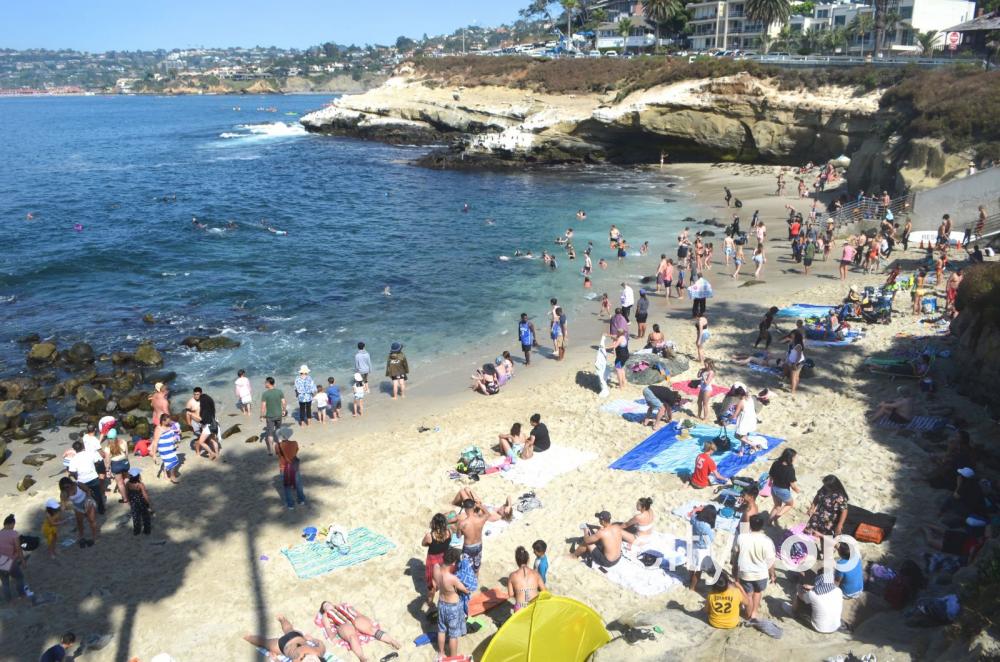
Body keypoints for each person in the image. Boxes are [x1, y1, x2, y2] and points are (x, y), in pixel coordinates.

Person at [316, 602, 401, 662]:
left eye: (328, 603)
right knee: (352, 637)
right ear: (323, 610)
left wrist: (364, 617)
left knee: (371, 629)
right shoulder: (325, 615)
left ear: (332, 603)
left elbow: (356, 612)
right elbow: (328, 627)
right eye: (325, 606)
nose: (327, 605)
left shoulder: (342, 606)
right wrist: (332, 637)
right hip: (342, 624)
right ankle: (362, 657)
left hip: (354, 618)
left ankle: (392, 641)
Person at [735, 513, 776, 622]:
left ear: (750, 525)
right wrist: (772, 574)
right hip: (761, 573)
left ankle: (748, 615)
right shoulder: (767, 541)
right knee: (757, 592)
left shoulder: (741, 537)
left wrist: (735, 571)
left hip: (745, 572)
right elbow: (771, 560)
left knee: (748, 594)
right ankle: (754, 613)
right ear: (762, 526)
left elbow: (737, 554)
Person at [434, 547, 470, 659]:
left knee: (441, 629)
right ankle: (453, 657)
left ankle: (441, 652)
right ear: (454, 562)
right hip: (452, 607)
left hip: (441, 603)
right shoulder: (452, 579)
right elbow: (465, 590)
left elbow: (435, 584)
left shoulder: (436, 569)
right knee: (453, 635)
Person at [243, 615, 326, 661]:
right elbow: (321, 644)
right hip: (293, 639)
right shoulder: (320, 651)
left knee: (265, 643)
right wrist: (312, 639)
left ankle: (248, 637)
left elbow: (320, 644)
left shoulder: (319, 651)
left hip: (281, 646)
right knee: (288, 629)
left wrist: (276, 659)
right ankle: (282, 619)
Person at [422, 514, 451, 617]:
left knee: (431, 585)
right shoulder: (448, 532)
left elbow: (423, 544)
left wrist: (426, 536)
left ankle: (430, 602)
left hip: (433, 560)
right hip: (444, 559)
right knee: (442, 580)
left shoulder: (430, 536)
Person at [805, 475, 849, 540]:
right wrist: (812, 508)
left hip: (828, 521)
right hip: (817, 516)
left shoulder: (840, 496)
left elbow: (844, 511)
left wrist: (840, 525)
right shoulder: (824, 488)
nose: (825, 486)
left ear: (833, 486)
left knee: (824, 539)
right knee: (807, 533)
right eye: (824, 485)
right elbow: (817, 497)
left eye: (827, 485)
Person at [67, 439, 105, 515]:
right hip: (93, 477)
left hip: (82, 481)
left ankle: (87, 512)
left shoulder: (73, 459)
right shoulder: (90, 454)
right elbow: (98, 461)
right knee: (97, 494)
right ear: (83, 447)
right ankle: (101, 510)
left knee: (84, 497)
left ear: (74, 450)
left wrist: (77, 478)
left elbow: (72, 472)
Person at [59, 476, 99, 546]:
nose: (67, 488)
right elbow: (63, 505)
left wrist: (88, 499)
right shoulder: (63, 493)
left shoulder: (78, 484)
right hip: (77, 506)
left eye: (67, 486)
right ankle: (81, 536)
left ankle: (95, 536)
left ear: (71, 483)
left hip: (87, 500)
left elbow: (88, 490)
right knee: (79, 522)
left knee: (92, 520)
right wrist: (61, 515)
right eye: (64, 487)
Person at [768, 448, 800, 527]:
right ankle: (777, 516)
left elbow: (771, 476)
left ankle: (769, 522)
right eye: (795, 457)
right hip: (783, 491)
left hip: (774, 488)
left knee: (777, 506)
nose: (796, 458)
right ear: (790, 458)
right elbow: (792, 485)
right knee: (790, 504)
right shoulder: (790, 469)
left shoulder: (776, 463)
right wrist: (798, 490)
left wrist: (770, 483)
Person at [688, 504, 717, 590]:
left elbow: (692, 514)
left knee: (692, 565)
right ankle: (692, 587)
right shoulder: (707, 527)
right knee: (699, 570)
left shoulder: (695, 519)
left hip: (693, 545)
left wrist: (697, 508)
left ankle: (690, 580)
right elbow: (710, 540)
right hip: (702, 549)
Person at [509, 546, 546, 612]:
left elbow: (511, 594)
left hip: (520, 607)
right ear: (528, 559)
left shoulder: (512, 576)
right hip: (534, 606)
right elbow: (544, 591)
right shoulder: (536, 574)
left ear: (516, 560)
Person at [0, 514, 27, 604]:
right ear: (11, 524)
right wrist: (23, 561)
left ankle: (9, 600)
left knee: (5, 581)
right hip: (9, 560)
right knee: (19, 577)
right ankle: (22, 595)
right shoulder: (13, 534)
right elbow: (18, 548)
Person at [189, 387, 220, 460]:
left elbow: (203, 421)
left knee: (201, 442)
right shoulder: (210, 404)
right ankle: (217, 454)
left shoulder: (204, 408)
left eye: (198, 395)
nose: (197, 397)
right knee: (213, 440)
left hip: (208, 426)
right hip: (215, 423)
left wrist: (192, 415)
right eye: (195, 394)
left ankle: (212, 453)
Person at [277, 435, 306, 510]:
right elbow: (296, 451)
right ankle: (301, 500)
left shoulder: (278, 445)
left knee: (287, 487)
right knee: (298, 484)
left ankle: (290, 505)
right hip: (294, 466)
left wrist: (279, 443)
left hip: (284, 467)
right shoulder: (294, 443)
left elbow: (278, 454)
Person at [260, 377, 286, 455]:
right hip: (278, 415)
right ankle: (281, 448)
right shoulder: (279, 392)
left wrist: (261, 416)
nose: (264, 384)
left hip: (270, 416)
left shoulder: (265, 394)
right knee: (278, 431)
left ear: (268, 383)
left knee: (270, 434)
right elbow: (284, 402)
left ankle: (271, 450)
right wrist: (284, 410)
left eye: (265, 383)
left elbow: (263, 406)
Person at [152, 413, 181, 483]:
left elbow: (174, 433)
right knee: (174, 460)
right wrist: (154, 455)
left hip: (171, 446)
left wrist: (178, 432)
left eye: (169, 421)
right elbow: (155, 442)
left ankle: (165, 475)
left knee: (167, 461)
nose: (169, 422)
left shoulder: (170, 425)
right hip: (164, 449)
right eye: (167, 421)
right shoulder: (158, 429)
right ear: (163, 421)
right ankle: (172, 476)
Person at [124, 467, 153, 536]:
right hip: (142, 502)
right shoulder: (140, 484)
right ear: (138, 476)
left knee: (135, 516)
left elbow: (126, 492)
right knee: (145, 516)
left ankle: (136, 531)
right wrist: (149, 503)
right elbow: (145, 495)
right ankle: (147, 530)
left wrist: (128, 500)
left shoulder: (128, 484)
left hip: (133, 502)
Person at [105, 429, 130, 503]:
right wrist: (127, 462)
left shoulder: (108, 447)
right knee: (126, 479)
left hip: (116, 465)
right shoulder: (123, 442)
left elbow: (107, 460)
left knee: (120, 483)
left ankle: (125, 499)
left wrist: (107, 469)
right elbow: (127, 454)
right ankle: (129, 492)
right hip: (125, 463)